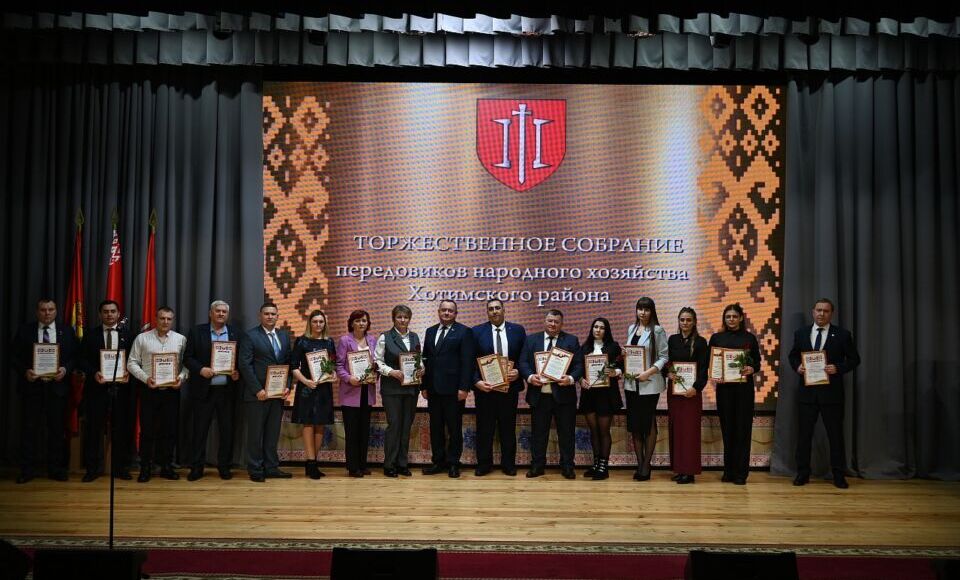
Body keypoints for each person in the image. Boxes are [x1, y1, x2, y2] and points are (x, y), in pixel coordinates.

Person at [788, 298, 861, 489]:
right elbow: (793, 355)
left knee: (835, 436)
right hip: (807, 394)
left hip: (832, 394)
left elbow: (854, 359)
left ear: (831, 314)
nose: (821, 314)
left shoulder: (843, 335)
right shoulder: (801, 333)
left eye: (826, 311)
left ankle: (838, 475)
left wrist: (838, 368)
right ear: (813, 312)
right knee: (804, 436)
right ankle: (802, 473)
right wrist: (797, 367)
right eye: (818, 310)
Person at [10, 298, 78, 483]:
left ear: (56, 311)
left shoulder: (67, 331)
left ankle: (56, 469)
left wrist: (65, 369)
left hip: (57, 389)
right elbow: (14, 356)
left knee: (56, 430)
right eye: (43, 309)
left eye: (50, 309)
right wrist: (25, 371)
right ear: (37, 311)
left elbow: (75, 356)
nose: (47, 313)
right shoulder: (25, 331)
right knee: (29, 430)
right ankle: (27, 470)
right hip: (32, 388)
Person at [519, 309, 582, 479]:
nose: (553, 324)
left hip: (564, 396)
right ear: (544, 321)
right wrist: (530, 377)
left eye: (556, 322)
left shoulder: (571, 340)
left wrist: (570, 378)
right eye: (550, 321)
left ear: (562, 324)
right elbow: (523, 362)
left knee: (566, 434)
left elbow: (579, 366)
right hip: (539, 396)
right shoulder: (531, 340)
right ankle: (537, 466)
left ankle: (567, 466)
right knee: (539, 434)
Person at [127, 306, 188, 482]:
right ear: (156, 319)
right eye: (162, 318)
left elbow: (186, 365)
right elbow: (131, 363)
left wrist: (181, 378)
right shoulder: (142, 338)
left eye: (169, 319)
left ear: (172, 320)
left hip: (171, 392)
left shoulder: (180, 339)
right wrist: (146, 379)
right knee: (147, 431)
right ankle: (145, 467)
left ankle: (166, 466)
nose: (165, 322)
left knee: (169, 431)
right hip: (149, 391)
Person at [184, 300, 242, 481]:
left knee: (227, 431)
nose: (221, 314)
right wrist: (201, 369)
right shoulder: (196, 332)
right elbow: (187, 358)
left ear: (228, 315)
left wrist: (237, 373)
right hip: (203, 390)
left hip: (227, 390)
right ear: (210, 313)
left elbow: (241, 359)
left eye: (224, 311)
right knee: (199, 431)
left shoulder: (235, 333)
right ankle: (196, 467)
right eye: (218, 311)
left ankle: (224, 466)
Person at [78, 299, 135, 482]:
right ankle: (92, 469)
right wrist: (94, 373)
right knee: (94, 430)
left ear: (118, 314)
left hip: (122, 390)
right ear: (100, 314)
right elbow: (81, 360)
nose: (109, 315)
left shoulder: (129, 335)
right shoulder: (90, 335)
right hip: (97, 389)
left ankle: (120, 468)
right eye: (105, 311)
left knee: (121, 430)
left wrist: (129, 373)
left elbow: (135, 360)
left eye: (112, 311)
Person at [420, 300, 476, 478]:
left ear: (455, 314)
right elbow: (425, 359)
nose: (446, 313)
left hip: (454, 391)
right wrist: (423, 385)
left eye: (450, 311)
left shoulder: (464, 332)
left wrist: (464, 388)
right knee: (435, 428)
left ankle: (453, 463)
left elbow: (467, 362)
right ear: (438, 312)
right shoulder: (430, 331)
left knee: (454, 428)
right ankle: (438, 462)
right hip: (433, 390)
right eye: (443, 310)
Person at [707, 303, 761, 485]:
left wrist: (751, 368)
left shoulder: (749, 338)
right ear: (724, 319)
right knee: (727, 430)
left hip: (744, 391)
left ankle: (741, 473)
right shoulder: (716, 338)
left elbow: (757, 363)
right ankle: (728, 471)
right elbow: (711, 363)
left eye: (734, 316)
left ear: (741, 318)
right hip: (724, 391)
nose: (731, 319)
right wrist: (715, 374)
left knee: (742, 431)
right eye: (728, 316)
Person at [471, 299, 526, 477]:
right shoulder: (476, 331)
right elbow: (469, 361)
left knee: (508, 428)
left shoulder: (518, 330)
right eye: (490, 309)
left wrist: (519, 372)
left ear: (503, 310)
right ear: (487, 312)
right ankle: (484, 464)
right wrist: (476, 382)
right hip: (485, 389)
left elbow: (524, 358)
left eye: (497, 308)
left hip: (509, 389)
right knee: (484, 428)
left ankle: (508, 464)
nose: (494, 311)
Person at [238, 302, 292, 482]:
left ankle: (271, 467)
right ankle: (255, 469)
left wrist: (287, 386)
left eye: (273, 314)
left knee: (272, 433)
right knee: (255, 434)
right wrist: (257, 389)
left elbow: (288, 363)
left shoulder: (284, 336)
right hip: (258, 395)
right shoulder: (250, 336)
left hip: (277, 395)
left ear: (278, 316)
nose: (270, 317)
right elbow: (245, 365)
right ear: (260, 316)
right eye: (266, 314)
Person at [623, 297, 669, 482]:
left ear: (652, 311)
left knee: (648, 423)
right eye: (640, 309)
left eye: (646, 309)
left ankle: (646, 465)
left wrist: (648, 372)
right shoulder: (631, 329)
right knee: (635, 425)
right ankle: (640, 463)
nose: (642, 312)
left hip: (650, 383)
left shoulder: (657, 330)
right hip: (631, 384)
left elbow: (664, 357)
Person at [290, 309, 337, 479]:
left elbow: (332, 365)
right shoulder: (302, 341)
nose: (318, 324)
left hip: (324, 389)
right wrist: (306, 381)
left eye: (321, 322)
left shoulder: (329, 342)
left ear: (325, 324)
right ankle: (310, 463)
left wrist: (333, 374)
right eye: (315, 321)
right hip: (307, 388)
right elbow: (294, 367)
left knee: (321, 424)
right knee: (308, 423)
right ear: (310, 323)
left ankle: (313, 463)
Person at [375, 305, 420, 478]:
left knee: (406, 426)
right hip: (392, 389)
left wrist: (421, 368)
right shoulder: (385, 337)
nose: (402, 320)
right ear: (393, 318)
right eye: (399, 317)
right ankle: (389, 464)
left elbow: (418, 359)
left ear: (410, 319)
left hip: (411, 388)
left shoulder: (415, 336)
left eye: (406, 317)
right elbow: (377, 361)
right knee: (394, 425)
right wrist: (391, 372)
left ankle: (402, 463)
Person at [666, 307, 709, 484]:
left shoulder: (701, 342)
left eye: (688, 320)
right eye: (682, 319)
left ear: (694, 322)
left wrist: (696, 388)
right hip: (675, 393)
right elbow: (667, 362)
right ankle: (679, 468)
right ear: (678, 321)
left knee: (689, 432)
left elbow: (704, 369)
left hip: (692, 394)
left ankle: (689, 472)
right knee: (677, 430)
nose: (685, 323)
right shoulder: (672, 339)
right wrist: (668, 373)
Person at [576, 317, 623, 480]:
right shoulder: (584, 348)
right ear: (592, 329)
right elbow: (578, 368)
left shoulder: (614, 347)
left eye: (602, 327)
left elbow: (622, 366)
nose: (598, 330)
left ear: (606, 330)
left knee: (603, 431)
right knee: (593, 431)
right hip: (589, 394)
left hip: (606, 395)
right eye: (595, 327)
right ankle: (596, 464)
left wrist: (616, 372)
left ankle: (604, 467)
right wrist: (580, 380)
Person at [336, 310, 378, 477]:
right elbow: (339, 366)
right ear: (352, 323)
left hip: (367, 391)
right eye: (358, 320)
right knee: (352, 432)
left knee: (364, 431)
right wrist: (349, 378)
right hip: (350, 391)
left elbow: (376, 363)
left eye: (364, 321)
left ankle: (362, 464)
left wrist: (376, 372)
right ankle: (353, 467)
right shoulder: (344, 340)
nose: (361, 323)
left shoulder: (372, 340)